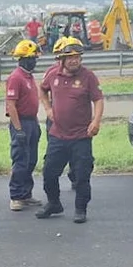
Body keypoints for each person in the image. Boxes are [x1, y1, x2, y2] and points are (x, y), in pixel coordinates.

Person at [36, 36, 104, 224]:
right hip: (58, 135)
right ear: (62, 59)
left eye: (78, 57)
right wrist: (48, 108)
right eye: (71, 57)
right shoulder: (52, 74)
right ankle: (54, 203)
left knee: (82, 175)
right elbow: (42, 90)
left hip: (81, 136)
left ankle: (80, 209)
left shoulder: (88, 76)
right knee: (49, 172)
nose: (75, 60)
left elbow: (98, 99)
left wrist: (96, 121)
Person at [5, 39, 44, 211]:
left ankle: (26, 194)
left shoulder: (29, 77)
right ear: (24, 59)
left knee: (31, 160)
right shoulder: (16, 78)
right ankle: (16, 196)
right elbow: (11, 104)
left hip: (31, 122)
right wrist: (18, 129)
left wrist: (35, 124)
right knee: (20, 160)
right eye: (32, 58)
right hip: (21, 122)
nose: (35, 61)